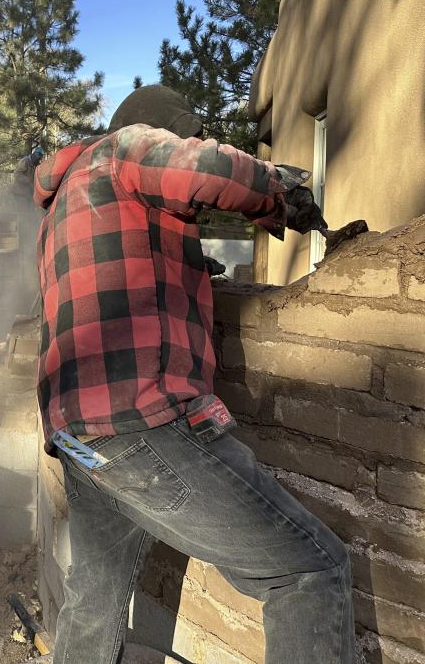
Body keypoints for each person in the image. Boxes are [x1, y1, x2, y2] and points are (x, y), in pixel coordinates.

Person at [25, 85, 352, 664]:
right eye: (188, 134)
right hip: (140, 421)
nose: (193, 142)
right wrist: (282, 193)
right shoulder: (128, 147)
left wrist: (189, 262)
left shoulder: (65, 204)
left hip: (78, 437)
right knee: (308, 568)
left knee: (92, 595)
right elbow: (206, 169)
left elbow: (117, 277)